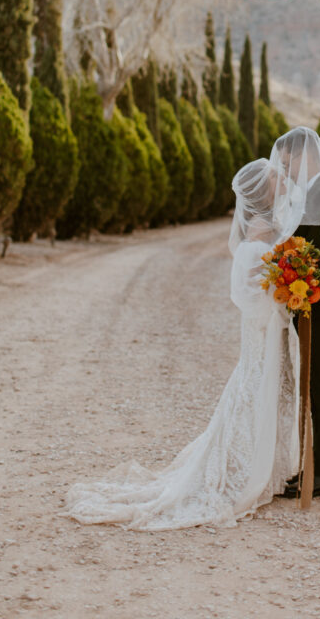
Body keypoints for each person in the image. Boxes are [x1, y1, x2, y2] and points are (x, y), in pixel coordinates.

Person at [64, 158, 299, 531]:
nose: (282, 179)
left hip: (269, 328)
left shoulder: (271, 224)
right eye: (275, 177)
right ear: (263, 190)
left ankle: (262, 463)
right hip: (261, 328)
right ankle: (243, 468)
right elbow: (248, 290)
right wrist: (283, 296)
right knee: (253, 389)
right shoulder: (260, 228)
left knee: (260, 390)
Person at [268, 127, 320, 499]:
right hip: (310, 301)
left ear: (306, 156)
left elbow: (310, 249)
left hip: (319, 301)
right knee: (314, 384)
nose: (287, 172)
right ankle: (314, 467)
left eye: (290, 163)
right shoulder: (315, 189)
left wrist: (287, 265)